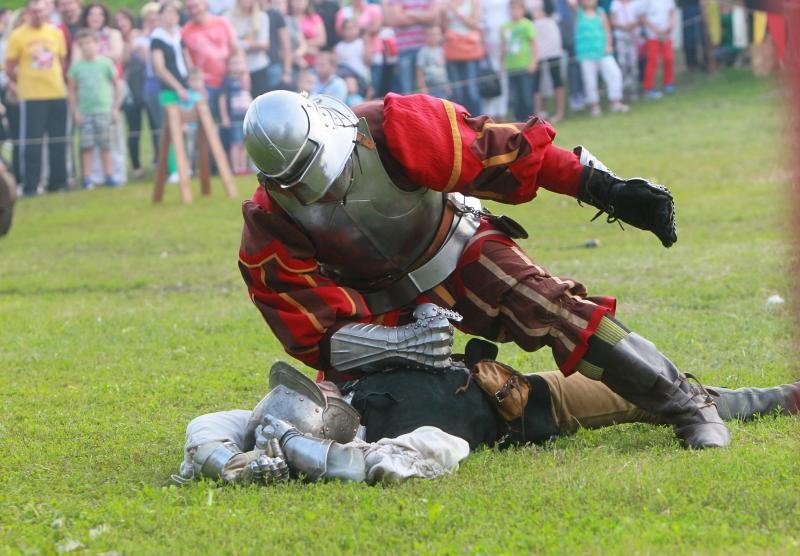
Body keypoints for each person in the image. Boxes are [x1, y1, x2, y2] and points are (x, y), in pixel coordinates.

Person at [236, 88, 746, 452]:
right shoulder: (269, 221)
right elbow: (313, 330)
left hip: (456, 246)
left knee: (554, 309)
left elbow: (504, 153)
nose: (324, 193)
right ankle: (521, 410)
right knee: (383, 408)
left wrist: (599, 186)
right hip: (379, 310)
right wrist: (400, 346)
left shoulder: (396, 127)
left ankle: (686, 404)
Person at [173, 343, 800, 485]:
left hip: (517, 378)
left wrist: (233, 448)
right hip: (530, 411)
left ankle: (768, 396)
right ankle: (774, 400)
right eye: (320, 404)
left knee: (663, 384)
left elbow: (207, 425)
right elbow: (431, 456)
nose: (323, 395)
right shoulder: (379, 449)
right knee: (646, 399)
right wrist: (251, 461)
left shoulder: (339, 381)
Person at [5, 0, 69, 196]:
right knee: (33, 142)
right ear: (28, 12)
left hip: (57, 92)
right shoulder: (18, 36)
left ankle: (58, 183)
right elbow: (9, 67)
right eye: (35, 11)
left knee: (58, 139)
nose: (38, 15)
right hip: (32, 96)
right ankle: (31, 184)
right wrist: (22, 82)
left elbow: (62, 61)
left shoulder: (55, 33)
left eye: (42, 11)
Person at [67, 29, 122, 189]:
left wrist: (115, 108)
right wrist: (75, 111)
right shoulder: (76, 67)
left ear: (97, 44)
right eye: (82, 45)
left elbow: (117, 86)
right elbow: (72, 91)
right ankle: (87, 178)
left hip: (104, 109)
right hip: (85, 111)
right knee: (86, 146)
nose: (86, 47)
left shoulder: (105, 63)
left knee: (106, 145)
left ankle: (109, 175)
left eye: (89, 43)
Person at [570, 0, 628, 116]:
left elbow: (607, 31)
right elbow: (571, 3)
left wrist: (609, 45)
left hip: (603, 52)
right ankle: (594, 106)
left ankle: (615, 101)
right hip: (586, 54)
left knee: (615, 73)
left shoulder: (600, 12)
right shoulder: (579, 13)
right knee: (590, 80)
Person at [383, 0, 441, 94]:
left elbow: (432, 17)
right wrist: (423, 16)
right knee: (407, 91)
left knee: (430, 89)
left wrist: (409, 13)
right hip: (405, 50)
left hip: (426, 49)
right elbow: (398, 19)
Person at [442, 0, 483, 115]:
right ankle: (459, 123)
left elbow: (475, 24)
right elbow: (444, 27)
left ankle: (477, 122)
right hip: (452, 50)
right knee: (457, 92)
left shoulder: (473, 2)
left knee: (471, 90)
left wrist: (457, 12)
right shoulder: (447, 3)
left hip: (469, 50)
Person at [501, 0, 538, 121]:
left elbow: (534, 44)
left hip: (525, 65)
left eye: (517, 9)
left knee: (527, 96)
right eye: (512, 9)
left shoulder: (527, 25)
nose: (515, 12)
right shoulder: (505, 27)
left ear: (523, 10)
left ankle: (531, 120)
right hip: (511, 67)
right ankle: (519, 122)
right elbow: (504, 47)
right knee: (515, 98)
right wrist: (502, 64)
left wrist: (534, 61)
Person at [226, 0, 271, 98]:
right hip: (236, 70)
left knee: (260, 101)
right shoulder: (228, 17)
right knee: (240, 105)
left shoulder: (262, 17)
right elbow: (228, 43)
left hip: (258, 67)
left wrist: (241, 43)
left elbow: (264, 44)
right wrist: (251, 43)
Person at [218, 52, 252, 175]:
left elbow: (246, 88)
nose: (237, 66)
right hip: (234, 115)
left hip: (245, 115)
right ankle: (235, 168)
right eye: (234, 63)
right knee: (235, 142)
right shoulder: (227, 81)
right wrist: (224, 117)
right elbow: (222, 99)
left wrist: (245, 73)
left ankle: (243, 167)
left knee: (244, 143)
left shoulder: (245, 78)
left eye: (240, 63)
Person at [532, 0, 565, 122]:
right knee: (537, 82)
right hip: (535, 38)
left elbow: (552, 9)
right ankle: (538, 115)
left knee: (557, 79)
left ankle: (560, 112)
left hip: (551, 41)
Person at [609, 0, 643, 102]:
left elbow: (641, 18)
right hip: (621, 38)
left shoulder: (637, 3)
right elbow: (613, 21)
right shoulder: (616, 3)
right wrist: (623, 27)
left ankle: (633, 90)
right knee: (622, 64)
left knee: (633, 64)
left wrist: (632, 25)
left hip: (633, 37)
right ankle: (623, 89)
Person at [641, 0, 675, 98]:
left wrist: (670, 25)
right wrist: (656, 30)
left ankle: (668, 83)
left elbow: (672, 12)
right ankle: (649, 87)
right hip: (652, 35)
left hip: (666, 34)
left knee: (668, 58)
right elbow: (642, 17)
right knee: (652, 61)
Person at [415, 24, 451, 99]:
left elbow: (445, 69)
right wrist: (422, 86)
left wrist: (448, 85)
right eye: (431, 34)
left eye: (437, 34)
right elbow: (420, 70)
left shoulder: (442, 50)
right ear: (426, 36)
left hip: (442, 85)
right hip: (430, 87)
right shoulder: (423, 52)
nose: (434, 37)